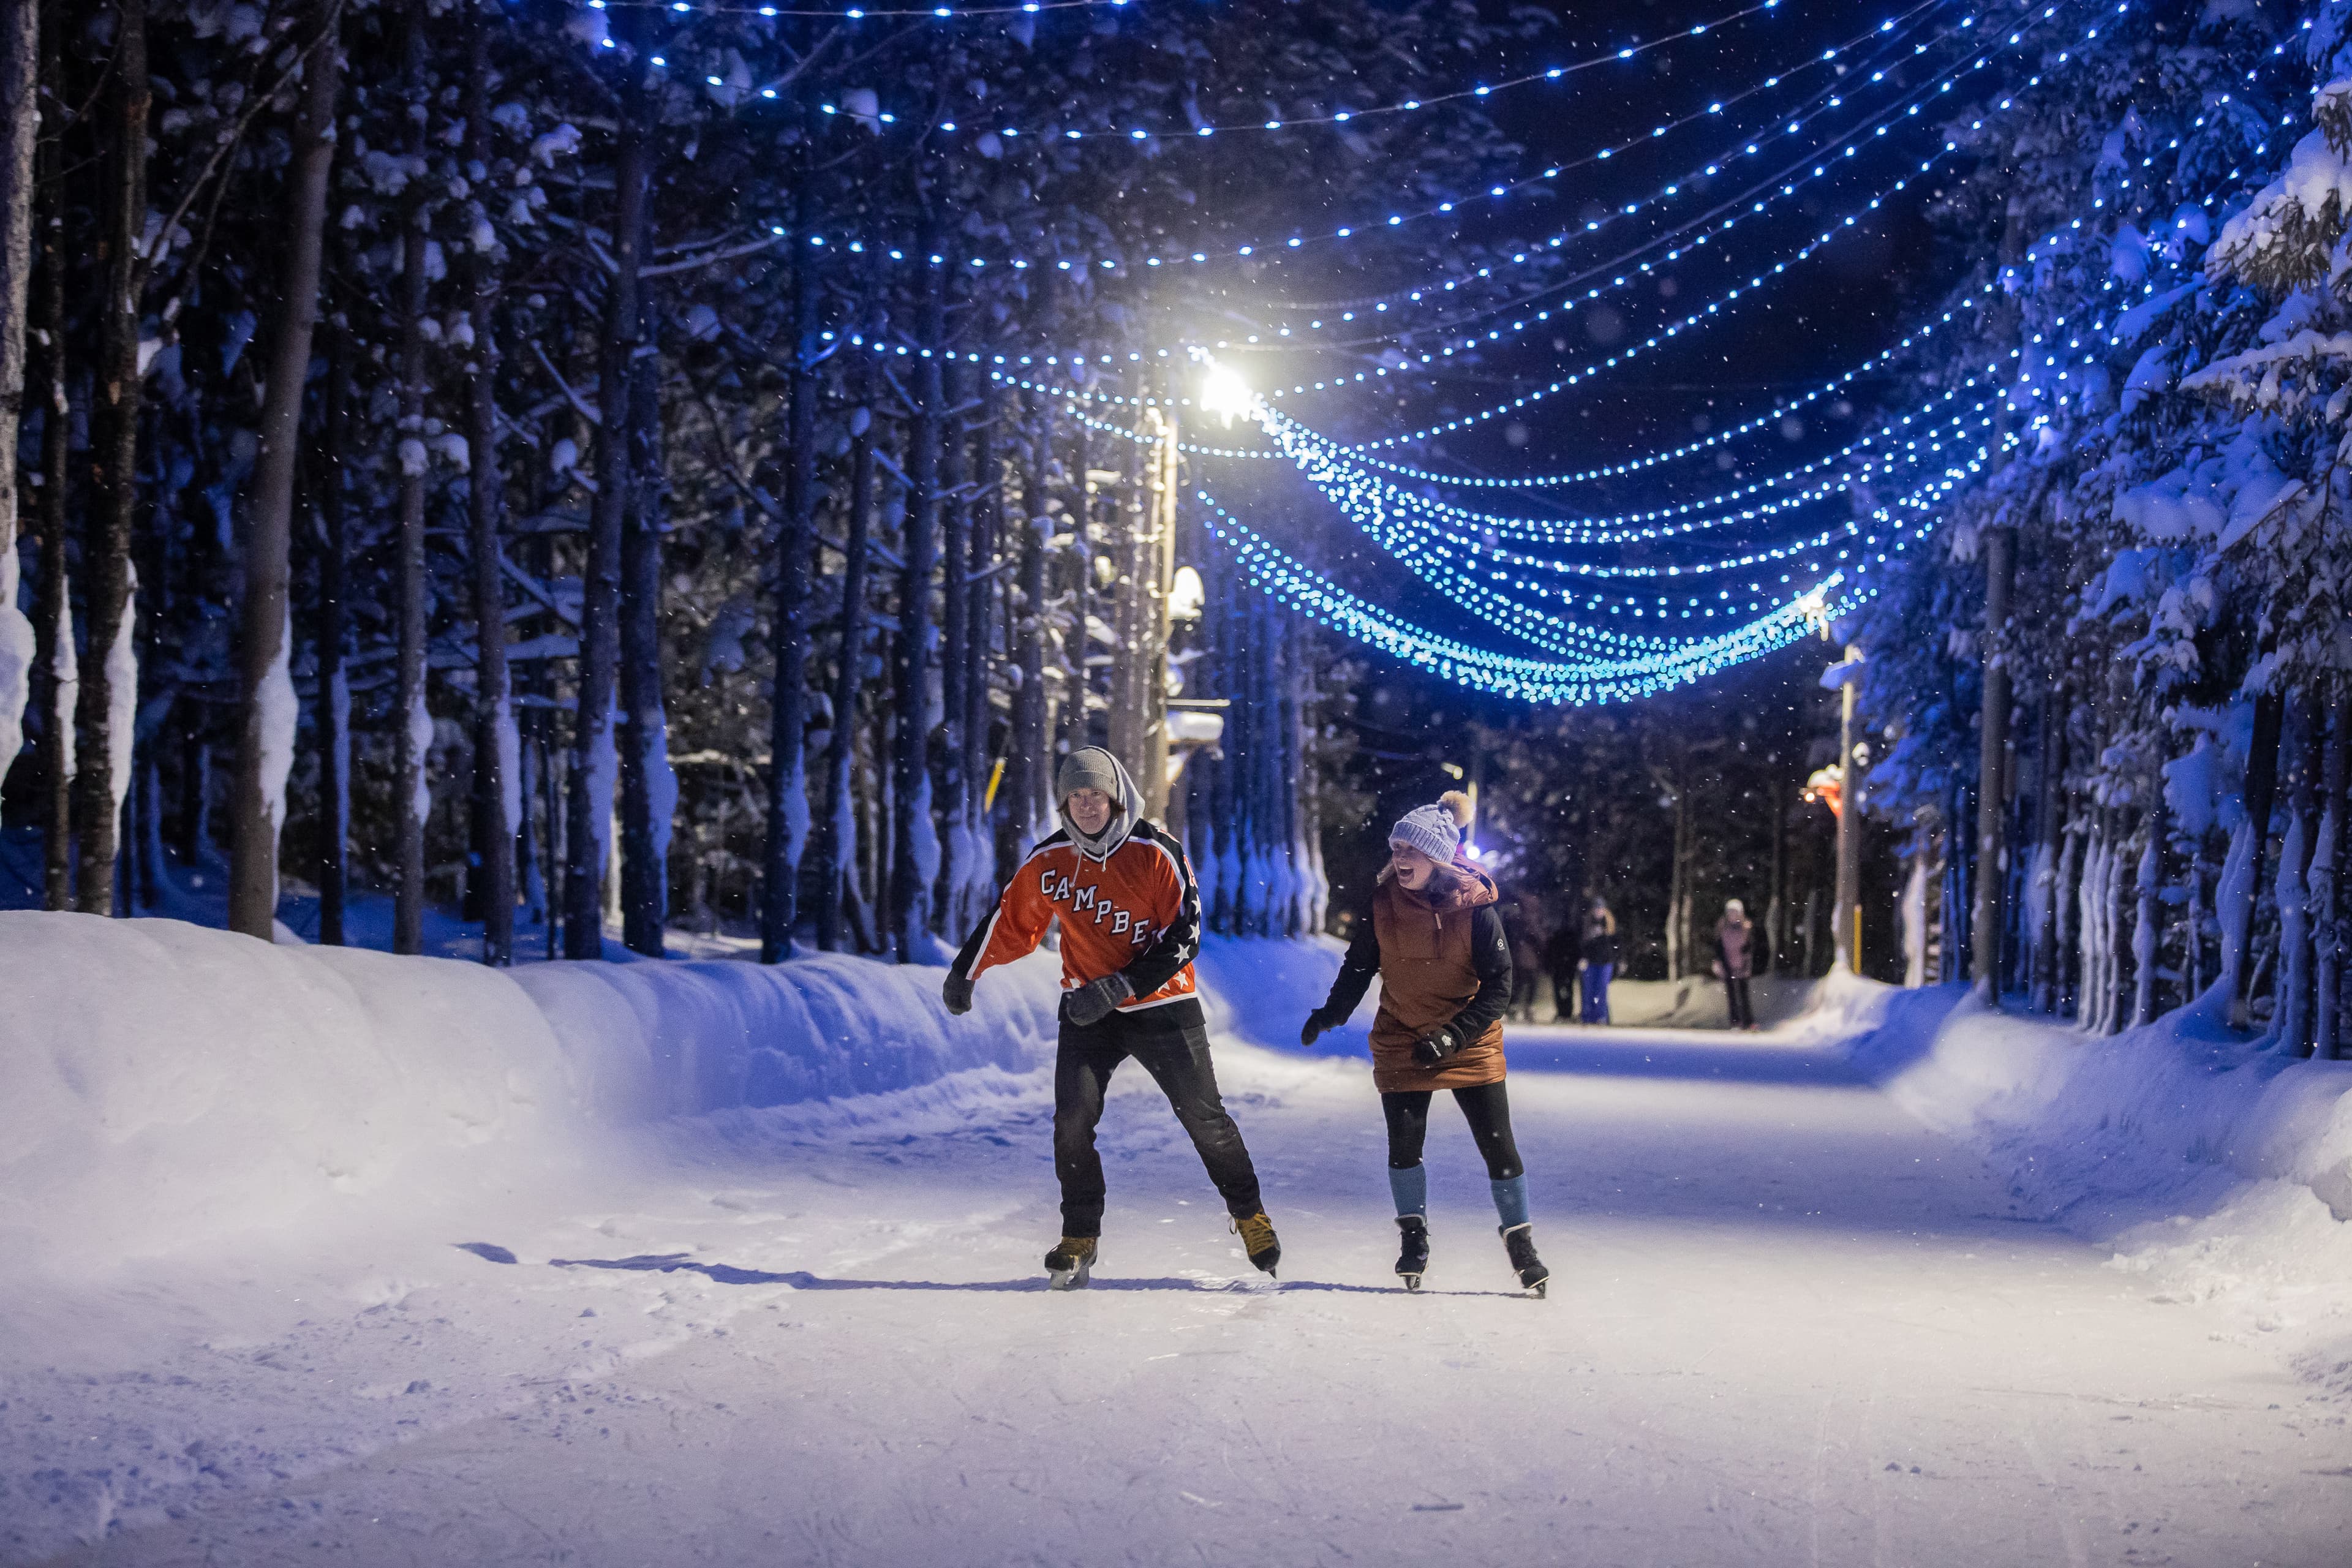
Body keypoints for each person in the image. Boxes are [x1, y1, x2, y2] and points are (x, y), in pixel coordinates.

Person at [944, 746, 1278, 1289]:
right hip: (1086, 1011)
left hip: (1163, 1006)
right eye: (1075, 796)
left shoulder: (1156, 851)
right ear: (1064, 804)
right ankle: (1079, 1235)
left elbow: (1186, 936)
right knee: (1072, 1121)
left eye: (1095, 794)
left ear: (1116, 797)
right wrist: (966, 971)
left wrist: (1122, 985)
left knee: (1205, 1119)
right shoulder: (1050, 860)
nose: (1086, 805)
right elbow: (1010, 918)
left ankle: (1250, 1214)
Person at [1300, 792, 1550, 1297]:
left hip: (1468, 1034)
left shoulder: (1475, 908)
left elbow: (1499, 986)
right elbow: (1359, 965)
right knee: (1404, 1145)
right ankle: (1414, 1239)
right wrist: (1332, 1013)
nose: (1400, 859)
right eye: (1396, 849)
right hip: (1403, 1035)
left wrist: (1455, 1034)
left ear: (1437, 857)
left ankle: (1520, 1242)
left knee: (1497, 1144)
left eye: (1410, 851)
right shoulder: (1384, 903)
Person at [1715, 898, 1757, 1031]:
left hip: (1743, 966)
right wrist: (1723, 965)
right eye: (1730, 913)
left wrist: (1745, 964)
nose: (1733, 916)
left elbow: (1750, 949)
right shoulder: (1722, 929)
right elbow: (1719, 949)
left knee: (1744, 996)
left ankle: (1748, 1022)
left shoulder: (1746, 928)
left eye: (1735, 913)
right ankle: (1735, 1022)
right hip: (1728, 966)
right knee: (1732, 996)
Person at [1580, 898, 1618, 1025]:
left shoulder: (1610, 923)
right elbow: (1583, 944)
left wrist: (1619, 960)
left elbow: (1616, 943)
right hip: (1590, 962)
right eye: (1596, 909)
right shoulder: (1587, 923)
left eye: (1601, 909)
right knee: (1588, 991)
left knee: (1602, 991)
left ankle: (1602, 1017)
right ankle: (1587, 1018)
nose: (1598, 911)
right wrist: (1583, 957)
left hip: (1606, 962)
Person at [1543, 917, 1581, 1022]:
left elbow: (1550, 952)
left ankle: (1566, 1013)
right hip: (1561, 967)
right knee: (1564, 989)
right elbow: (1550, 952)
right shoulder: (1559, 938)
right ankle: (1564, 1013)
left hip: (1564, 967)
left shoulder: (1563, 937)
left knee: (1565, 989)